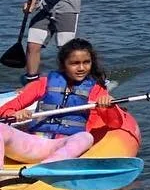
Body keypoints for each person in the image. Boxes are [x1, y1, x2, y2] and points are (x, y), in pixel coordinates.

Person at [0, 39, 136, 163]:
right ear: (64, 64)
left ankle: (47, 167)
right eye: (75, 63)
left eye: (86, 62)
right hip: (34, 144)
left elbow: (114, 123)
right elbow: (6, 109)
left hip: (66, 145)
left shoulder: (96, 90)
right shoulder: (44, 83)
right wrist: (15, 114)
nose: (81, 68)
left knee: (85, 138)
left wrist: (108, 107)